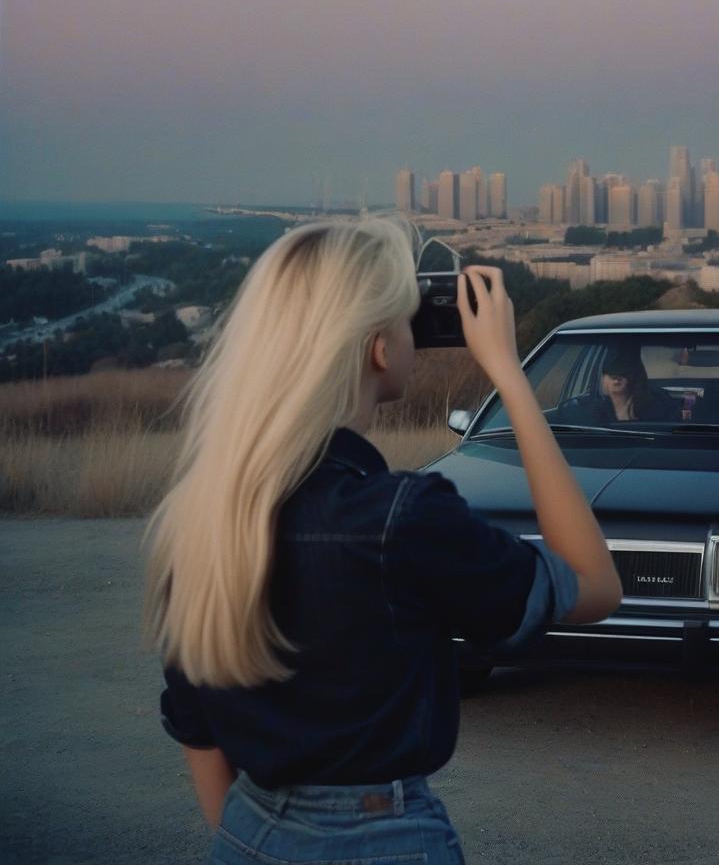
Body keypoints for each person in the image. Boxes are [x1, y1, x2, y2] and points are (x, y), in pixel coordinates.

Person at [142, 216, 622, 864]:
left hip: (247, 831)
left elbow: (196, 727)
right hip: (382, 839)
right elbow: (592, 584)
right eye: (405, 320)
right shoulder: (404, 517)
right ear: (378, 349)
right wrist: (510, 376)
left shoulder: (203, 513)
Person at [598, 348, 679, 423]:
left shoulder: (658, 407)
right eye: (611, 375)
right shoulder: (594, 411)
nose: (616, 380)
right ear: (603, 379)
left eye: (623, 373)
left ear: (633, 378)